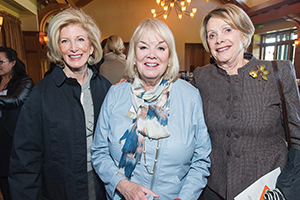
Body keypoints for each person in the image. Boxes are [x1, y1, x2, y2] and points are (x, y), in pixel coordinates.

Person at [91, 18, 211, 200]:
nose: (151, 55)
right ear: (134, 54)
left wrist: (184, 198)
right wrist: (123, 186)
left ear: (169, 56)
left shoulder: (190, 97)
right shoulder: (115, 94)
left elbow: (201, 159)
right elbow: (99, 152)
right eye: (143, 47)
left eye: (161, 48)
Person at [191, 4, 300, 200]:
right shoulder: (202, 77)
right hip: (212, 190)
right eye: (212, 35)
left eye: (227, 30)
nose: (219, 40)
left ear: (243, 32)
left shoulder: (279, 72)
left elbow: (298, 140)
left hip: (267, 191)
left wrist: (284, 191)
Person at [9, 8, 111, 200]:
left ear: (91, 47)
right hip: (60, 190)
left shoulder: (105, 89)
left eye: (80, 39)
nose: (74, 47)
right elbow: (24, 161)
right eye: (65, 41)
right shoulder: (41, 95)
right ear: (58, 48)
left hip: (101, 185)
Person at [0, 46, 34, 200]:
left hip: (12, 134)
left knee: (11, 177)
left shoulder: (25, 81)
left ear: (13, 62)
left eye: (1, 62)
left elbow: (17, 100)